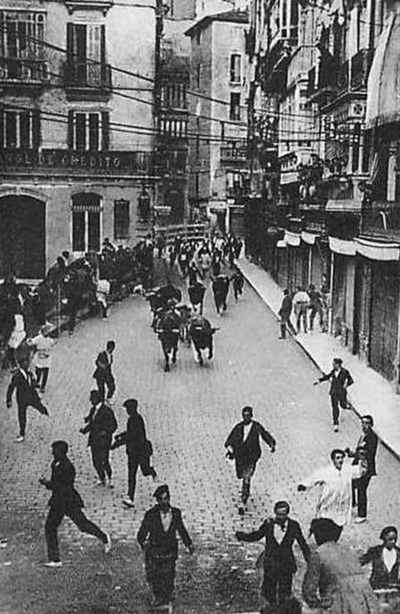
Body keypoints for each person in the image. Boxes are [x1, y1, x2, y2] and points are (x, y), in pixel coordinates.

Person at [40, 440, 111, 568]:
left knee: (81, 525)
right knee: (51, 527)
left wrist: (47, 483)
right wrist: (49, 484)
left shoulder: (67, 467)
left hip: (67, 501)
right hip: (59, 501)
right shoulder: (55, 463)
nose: (52, 452)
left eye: (54, 450)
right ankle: (55, 559)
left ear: (61, 452)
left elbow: (63, 486)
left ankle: (104, 537)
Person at [235, 501, 309, 608]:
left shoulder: (294, 526)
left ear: (287, 514)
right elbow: (257, 535)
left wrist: (310, 560)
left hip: (286, 565)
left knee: (285, 593)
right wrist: (242, 536)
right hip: (271, 564)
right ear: (275, 513)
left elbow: (302, 544)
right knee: (269, 593)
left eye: (283, 515)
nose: (280, 517)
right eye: (278, 514)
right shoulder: (268, 524)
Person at [302, 518, 379, 613]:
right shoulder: (347, 550)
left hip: (341, 601)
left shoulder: (318, 554)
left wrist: (319, 604)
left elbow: (309, 590)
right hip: (366, 599)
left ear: (318, 535)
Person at [137, 484, 194, 607]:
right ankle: (158, 596)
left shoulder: (175, 513)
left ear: (169, 499)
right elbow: (142, 533)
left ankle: (168, 594)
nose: (164, 502)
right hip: (156, 550)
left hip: (170, 549)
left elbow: (181, 529)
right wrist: (144, 543)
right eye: (161, 499)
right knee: (156, 575)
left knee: (169, 574)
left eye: (166, 499)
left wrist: (188, 544)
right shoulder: (151, 515)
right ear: (157, 501)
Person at [297, 449, 367, 541]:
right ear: (333, 460)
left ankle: (332, 542)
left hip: (341, 506)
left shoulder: (348, 469)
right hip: (328, 504)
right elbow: (314, 478)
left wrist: (363, 459)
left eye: (342, 458)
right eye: (338, 458)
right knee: (325, 526)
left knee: (338, 527)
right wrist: (304, 485)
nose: (340, 460)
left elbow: (362, 471)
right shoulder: (326, 471)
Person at [225, 406, 276, 508]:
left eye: (248, 416)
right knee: (241, 475)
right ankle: (245, 490)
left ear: (251, 416)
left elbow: (265, 434)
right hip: (240, 457)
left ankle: (244, 499)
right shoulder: (238, 427)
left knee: (246, 478)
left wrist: (271, 444)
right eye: (244, 416)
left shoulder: (256, 426)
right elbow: (229, 441)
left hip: (251, 457)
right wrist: (230, 449)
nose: (246, 418)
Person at [111, 399, 157, 508]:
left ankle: (152, 472)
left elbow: (131, 436)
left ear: (132, 409)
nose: (126, 411)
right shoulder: (133, 419)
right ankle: (130, 497)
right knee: (131, 475)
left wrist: (117, 443)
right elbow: (129, 432)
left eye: (128, 409)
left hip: (141, 452)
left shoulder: (135, 419)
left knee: (145, 471)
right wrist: (120, 435)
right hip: (133, 453)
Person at [6, 357, 49, 442]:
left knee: (39, 405)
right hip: (22, 399)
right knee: (22, 415)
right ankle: (22, 434)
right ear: (21, 365)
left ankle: (44, 411)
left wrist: (36, 385)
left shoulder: (29, 373)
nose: (27, 364)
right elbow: (11, 388)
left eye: (27, 363)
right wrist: (9, 400)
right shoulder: (17, 376)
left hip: (31, 396)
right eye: (25, 363)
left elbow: (32, 382)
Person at [80, 390, 117, 487]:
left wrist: (105, 432)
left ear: (97, 399)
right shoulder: (93, 410)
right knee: (95, 461)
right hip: (94, 439)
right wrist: (85, 430)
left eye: (92, 398)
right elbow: (92, 423)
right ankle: (102, 478)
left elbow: (114, 425)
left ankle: (109, 478)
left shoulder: (107, 411)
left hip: (104, 441)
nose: (90, 400)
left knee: (104, 460)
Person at [346, 414, 378, 523]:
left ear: (371, 425)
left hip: (366, 468)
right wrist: (352, 454)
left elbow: (368, 453)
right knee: (351, 483)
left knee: (361, 489)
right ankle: (353, 503)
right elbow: (359, 451)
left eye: (367, 423)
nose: (364, 425)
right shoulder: (363, 435)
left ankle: (362, 514)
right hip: (358, 466)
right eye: (363, 423)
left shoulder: (372, 438)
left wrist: (356, 453)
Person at [314, 358, 353, 432]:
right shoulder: (333, 371)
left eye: (334, 364)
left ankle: (346, 406)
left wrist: (346, 385)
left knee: (342, 405)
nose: (333, 365)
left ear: (338, 365)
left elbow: (351, 380)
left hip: (341, 392)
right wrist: (319, 381)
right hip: (334, 392)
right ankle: (336, 424)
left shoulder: (345, 372)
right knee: (335, 408)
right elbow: (327, 376)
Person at [27, 324, 55, 393]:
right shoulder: (39, 338)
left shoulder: (49, 340)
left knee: (45, 372)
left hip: (46, 358)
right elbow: (31, 342)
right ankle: (37, 382)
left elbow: (52, 344)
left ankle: (42, 386)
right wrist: (30, 340)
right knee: (38, 371)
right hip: (40, 357)